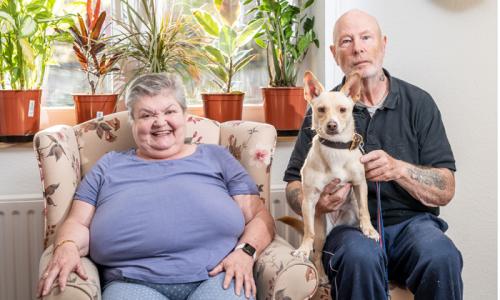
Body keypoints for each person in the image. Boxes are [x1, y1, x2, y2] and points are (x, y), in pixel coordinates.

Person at [37, 73, 275, 300]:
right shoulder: (108, 166)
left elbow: (259, 216)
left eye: (169, 111)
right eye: (147, 115)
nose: (160, 122)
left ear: (184, 115)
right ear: (132, 121)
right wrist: (67, 246)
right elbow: (77, 222)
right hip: (131, 282)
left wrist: (246, 252)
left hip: (218, 278)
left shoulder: (217, 158)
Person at [284, 9, 463, 300]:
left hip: (413, 225)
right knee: (358, 257)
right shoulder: (322, 109)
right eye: (346, 41)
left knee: (441, 256)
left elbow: (446, 189)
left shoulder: (419, 103)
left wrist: (399, 169)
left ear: (383, 44)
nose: (358, 47)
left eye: (366, 37)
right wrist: (318, 200)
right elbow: (294, 184)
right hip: (350, 229)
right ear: (334, 53)